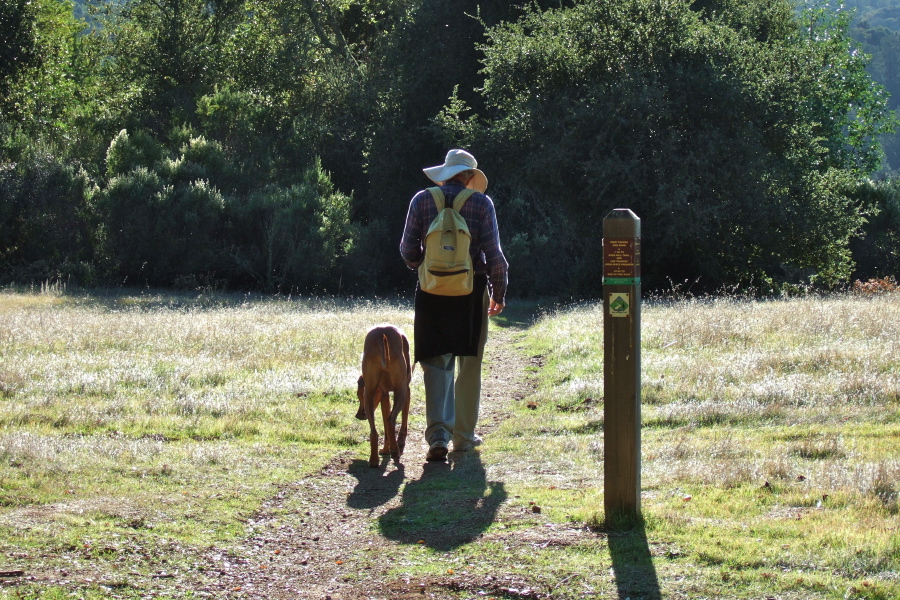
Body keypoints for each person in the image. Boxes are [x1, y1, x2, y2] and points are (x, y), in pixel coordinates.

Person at [399, 149, 508, 461]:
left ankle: (437, 436)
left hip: (431, 292)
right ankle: (462, 437)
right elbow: (496, 257)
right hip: (471, 292)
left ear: (446, 173)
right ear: (470, 177)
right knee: (469, 364)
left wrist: (425, 268)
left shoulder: (421, 200)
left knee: (436, 362)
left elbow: (407, 250)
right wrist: (499, 294)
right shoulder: (481, 203)